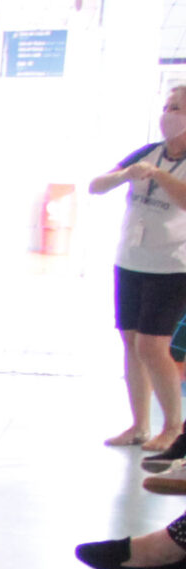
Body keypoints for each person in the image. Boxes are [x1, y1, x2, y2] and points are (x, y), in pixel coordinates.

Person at [91, 85, 186, 456]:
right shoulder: (148, 152)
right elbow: (96, 185)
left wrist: (160, 176)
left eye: (177, 108)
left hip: (172, 266)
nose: (168, 114)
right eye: (167, 106)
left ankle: (173, 427)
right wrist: (124, 175)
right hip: (132, 260)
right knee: (131, 341)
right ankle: (139, 424)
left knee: (152, 345)